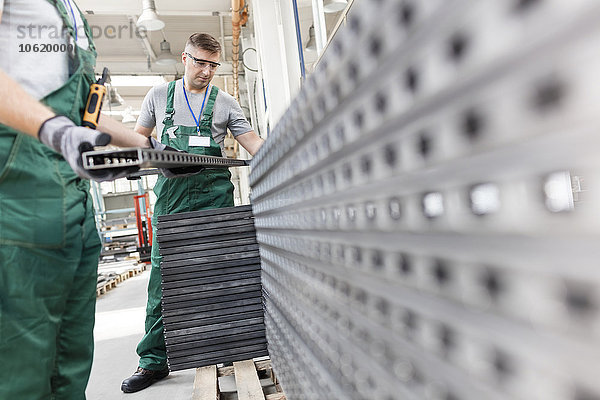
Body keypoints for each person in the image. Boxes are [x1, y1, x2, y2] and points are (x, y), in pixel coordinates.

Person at [0, 0, 149, 398]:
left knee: (70, 365)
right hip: (15, 197)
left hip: (73, 201)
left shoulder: (70, 10)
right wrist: (56, 132)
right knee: (20, 372)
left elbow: (86, 107)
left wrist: (148, 147)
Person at [121, 32, 264, 393]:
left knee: (224, 275)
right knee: (163, 281)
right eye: (200, 62)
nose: (206, 71)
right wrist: (153, 153)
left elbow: (253, 144)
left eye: (213, 65)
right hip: (170, 199)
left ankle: (230, 349)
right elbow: (140, 139)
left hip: (214, 199)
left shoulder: (226, 102)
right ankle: (153, 362)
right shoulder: (159, 97)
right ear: (185, 59)